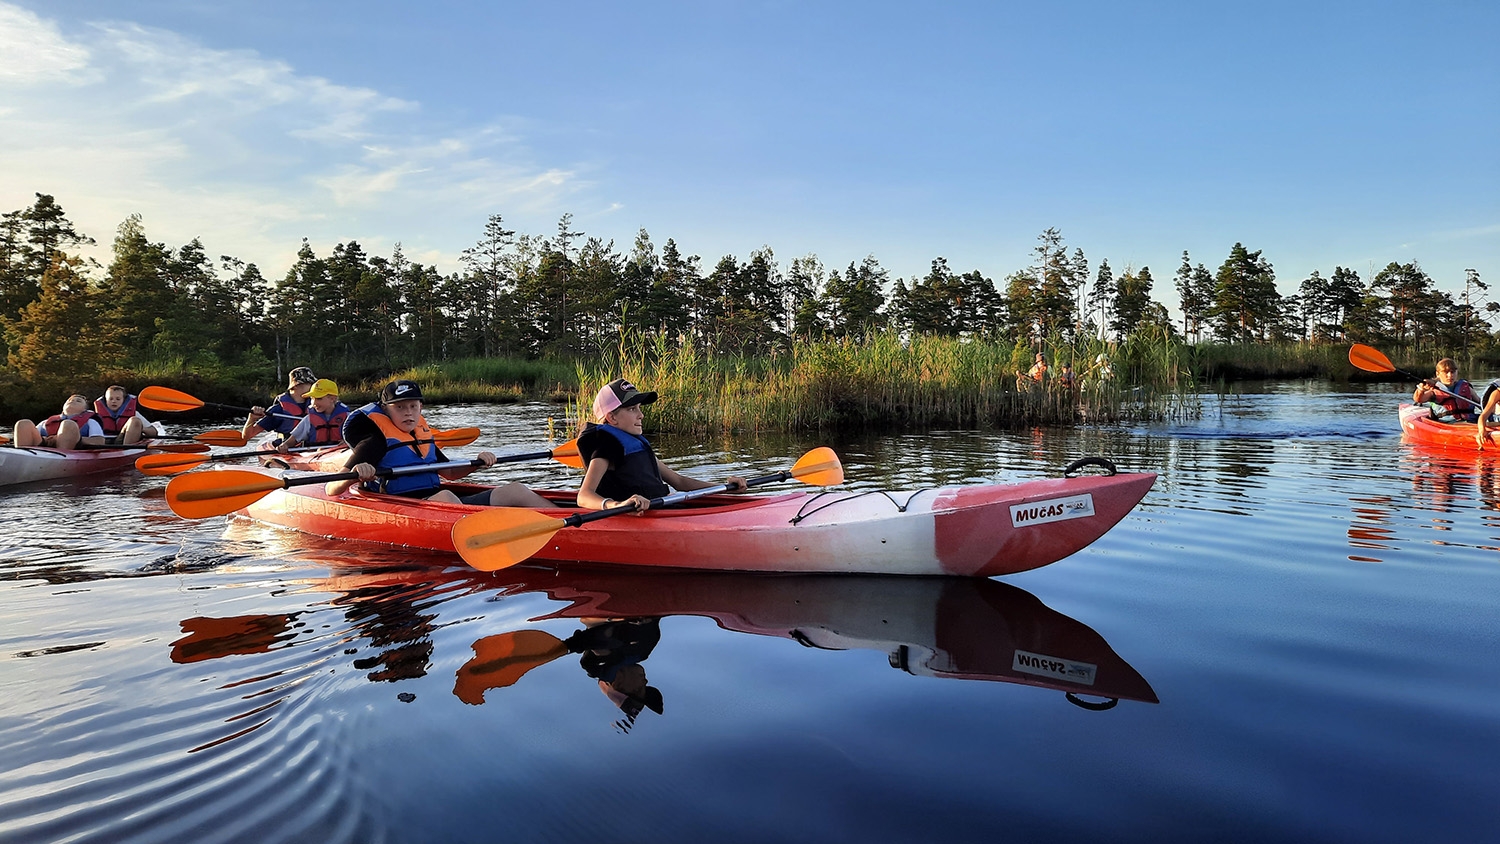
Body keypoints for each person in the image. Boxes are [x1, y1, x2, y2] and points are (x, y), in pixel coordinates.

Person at [326, 379, 556, 507]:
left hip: (440, 502)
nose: (408, 413)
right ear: (385, 411)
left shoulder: (421, 436)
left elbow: (449, 473)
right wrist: (357, 472)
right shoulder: (374, 441)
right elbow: (331, 488)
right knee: (445, 497)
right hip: (404, 505)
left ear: (421, 408)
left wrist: (477, 463)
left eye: (413, 406)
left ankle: (580, 525)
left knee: (514, 490)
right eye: (400, 407)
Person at [576, 378, 747, 512]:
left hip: (659, 509)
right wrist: (617, 505)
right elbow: (584, 496)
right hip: (629, 514)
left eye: (639, 408)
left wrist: (725, 488)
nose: (641, 415)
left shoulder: (637, 445)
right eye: (631, 409)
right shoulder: (607, 447)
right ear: (612, 418)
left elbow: (679, 482)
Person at [242, 366, 317, 445]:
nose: (314, 386)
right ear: (296, 385)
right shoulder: (278, 410)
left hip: (313, 447)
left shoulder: (317, 405)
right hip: (288, 448)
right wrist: (251, 419)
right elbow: (247, 436)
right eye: (309, 383)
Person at [277, 379, 350, 452]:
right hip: (314, 454)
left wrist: (348, 442)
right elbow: (293, 439)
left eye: (319, 398)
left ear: (332, 399)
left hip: (339, 452)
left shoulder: (347, 417)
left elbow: (359, 437)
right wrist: (285, 445)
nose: (314, 403)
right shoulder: (309, 419)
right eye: (312, 398)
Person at [12, 395, 106, 450]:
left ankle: (62, 458)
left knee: (68, 424)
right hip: (44, 447)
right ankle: (21, 454)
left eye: (78, 401)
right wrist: (50, 440)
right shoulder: (46, 422)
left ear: (85, 409)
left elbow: (99, 441)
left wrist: (70, 438)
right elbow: (33, 436)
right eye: (69, 400)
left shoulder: (91, 421)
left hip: (72, 448)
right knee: (23, 423)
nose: (72, 401)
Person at [1413, 358, 1478, 423]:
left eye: (1453, 372)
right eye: (1446, 372)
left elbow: (1480, 403)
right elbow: (1418, 399)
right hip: (1447, 424)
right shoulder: (1434, 391)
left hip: (1470, 421)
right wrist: (1421, 389)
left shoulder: (1466, 388)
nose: (1450, 375)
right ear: (1437, 374)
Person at [93, 385, 160, 445]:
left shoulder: (134, 413)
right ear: (106, 400)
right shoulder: (96, 415)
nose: (114, 401)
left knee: (135, 420)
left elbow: (154, 432)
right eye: (110, 399)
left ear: (124, 400)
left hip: (124, 441)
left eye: (118, 399)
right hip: (103, 443)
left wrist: (139, 428)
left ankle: (127, 449)